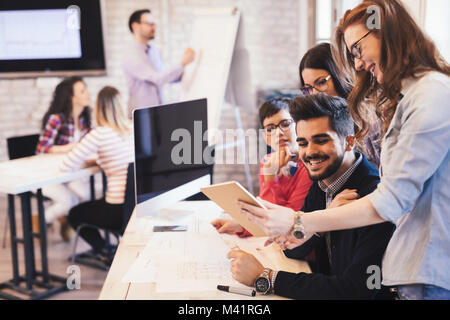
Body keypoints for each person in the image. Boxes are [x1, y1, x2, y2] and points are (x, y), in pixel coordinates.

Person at [238, 0, 450, 300]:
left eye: (358, 50)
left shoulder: (431, 95)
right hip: (411, 271)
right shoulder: (414, 97)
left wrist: (301, 222)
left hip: (426, 271)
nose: (359, 64)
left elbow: (390, 201)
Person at [228, 94, 395, 299]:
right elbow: (293, 249)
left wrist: (266, 278)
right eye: (303, 143)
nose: (309, 153)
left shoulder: (374, 195)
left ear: (349, 141)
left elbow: (358, 290)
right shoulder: (323, 182)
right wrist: (319, 225)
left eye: (321, 140)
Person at [211, 98, 312, 237]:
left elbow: (285, 223)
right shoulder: (267, 161)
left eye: (285, 123)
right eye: (270, 129)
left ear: (300, 126)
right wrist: (241, 226)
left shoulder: (309, 165)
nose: (278, 133)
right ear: (266, 138)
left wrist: (270, 177)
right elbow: (265, 212)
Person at [62, 86, 134, 265]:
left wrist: (92, 161)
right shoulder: (132, 129)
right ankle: (110, 250)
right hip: (137, 207)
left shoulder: (99, 134)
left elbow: (67, 166)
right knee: (96, 203)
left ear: (99, 108)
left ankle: (106, 251)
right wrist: (101, 161)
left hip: (117, 212)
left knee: (74, 214)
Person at [299, 42, 381, 168]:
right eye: (308, 88)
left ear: (339, 76)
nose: (315, 94)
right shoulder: (318, 122)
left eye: (321, 82)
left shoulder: (369, 117)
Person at [36, 76, 92, 241]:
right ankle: (41, 220)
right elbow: (42, 149)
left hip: (68, 171)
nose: (87, 93)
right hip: (49, 174)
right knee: (69, 201)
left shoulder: (83, 119)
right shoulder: (57, 119)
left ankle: (65, 218)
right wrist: (69, 147)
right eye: (82, 91)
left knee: (84, 194)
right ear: (71, 97)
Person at [123, 9, 195, 118]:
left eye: (154, 23)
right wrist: (182, 64)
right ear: (135, 26)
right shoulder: (131, 54)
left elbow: (163, 74)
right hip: (141, 116)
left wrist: (181, 74)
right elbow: (157, 79)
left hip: (158, 112)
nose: (154, 27)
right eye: (149, 23)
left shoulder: (154, 51)